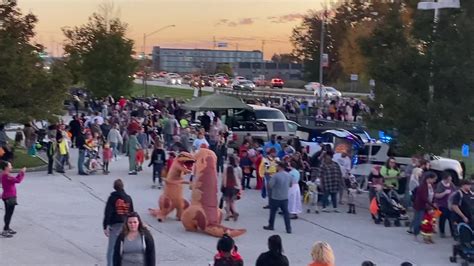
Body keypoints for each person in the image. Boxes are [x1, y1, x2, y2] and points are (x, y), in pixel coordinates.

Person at [103, 179, 134, 266]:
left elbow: (108, 212)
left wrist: (105, 226)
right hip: (125, 225)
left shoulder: (112, 198)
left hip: (115, 225)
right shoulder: (128, 198)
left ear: (114, 187)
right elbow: (131, 212)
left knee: (112, 248)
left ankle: (110, 264)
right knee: (126, 248)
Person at [263, 161, 292, 234]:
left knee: (273, 212)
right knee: (286, 213)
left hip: (275, 197)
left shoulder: (276, 176)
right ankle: (288, 228)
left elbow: (270, 185)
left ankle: (271, 225)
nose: (276, 167)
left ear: (279, 167)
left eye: (277, 166)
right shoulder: (289, 175)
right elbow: (290, 185)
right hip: (285, 197)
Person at [1, 161, 26, 238]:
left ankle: (7, 228)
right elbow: (18, 180)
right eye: (10, 166)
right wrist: (21, 172)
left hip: (7, 196)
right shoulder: (6, 176)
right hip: (10, 197)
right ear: (6, 167)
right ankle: (5, 230)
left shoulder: (4, 175)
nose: (11, 167)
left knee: (9, 213)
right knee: (9, 213)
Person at [412, 171, 437, 240]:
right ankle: (415, 234)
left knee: (428, 220)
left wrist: (433, 202)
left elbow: (433, 195)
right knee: (419, 220)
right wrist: (431, 205)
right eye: (434, 179)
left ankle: (426, 235)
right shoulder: (422, 186)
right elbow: (424, 198)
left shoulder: (432, 186)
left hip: (428, 205)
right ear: (429, 178)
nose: (434, 181)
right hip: (421, 205)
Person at [434, 171, 455, 238]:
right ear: (445, 179)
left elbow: (455, 191)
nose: (450, 181)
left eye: (450, 179)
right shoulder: (440, 185)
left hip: (450, 204)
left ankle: (453, 232)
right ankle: (442, 232)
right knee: (443, 218)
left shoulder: (451, 184)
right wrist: (444, 193)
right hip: (442, 205)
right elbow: (437, 195)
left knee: (451, 218)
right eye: (448, 179)